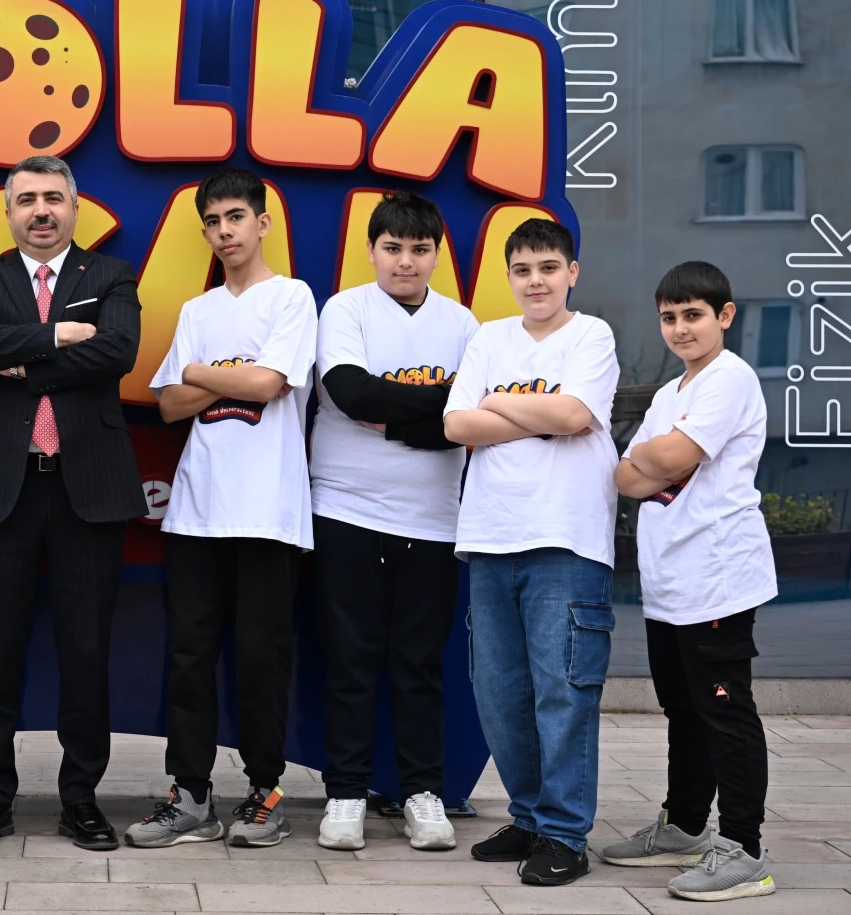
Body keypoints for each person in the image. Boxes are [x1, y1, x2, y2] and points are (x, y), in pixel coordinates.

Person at [0, 154, 145, 851]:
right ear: (9, 211)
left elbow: (118, 352)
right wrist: (61, 336)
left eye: (53, 198)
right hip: (3, 491)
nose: (41, 210)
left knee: (86, 651)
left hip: (86, 489)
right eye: (27, 198)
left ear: (74, 208)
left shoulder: (111, 275)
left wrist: (18, 358)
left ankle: (81, 798)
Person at [127, 167, 316, 849]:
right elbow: (169, 404)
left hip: (267, 512)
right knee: (189, 658)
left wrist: (200, 372)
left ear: (262, 224)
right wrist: (226, 377)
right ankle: (191, 798)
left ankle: (265, 794)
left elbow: (268, 385)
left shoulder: (292, 297)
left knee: (262, 660)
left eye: (235, 217)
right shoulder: (198, 311)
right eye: (212, 222)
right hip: (196, 512)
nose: (224, 231)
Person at [442, 217, 619, 887]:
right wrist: (533, 411)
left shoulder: (591, 335)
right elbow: (456, 423)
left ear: (572, 272)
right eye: (522, 270)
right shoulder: (489, 338)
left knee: (562, 692)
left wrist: (497, 402)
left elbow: (574, 417)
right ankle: (530, 816)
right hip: (490, 538)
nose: (536, 281)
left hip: (565, 540)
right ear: (509, 278)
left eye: (548, 268)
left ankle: (566, 834)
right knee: (500, 695)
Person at [600, 261, 777, 902]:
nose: (680, 328)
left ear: (724, 316)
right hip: (670, 580)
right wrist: (659, 458)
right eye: (669, 317)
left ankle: (745, 851)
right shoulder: (670, 394)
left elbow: (667, 457)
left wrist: (659, 456)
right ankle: (684, 826)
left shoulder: (730, 378)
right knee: (684, 708)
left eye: (693, 315)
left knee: (726, 712)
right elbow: (625, 476)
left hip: (717, 575)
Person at [309, 192, 479, 853]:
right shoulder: (345, 309)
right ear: (372, 251)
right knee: (349, 661)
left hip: (434, 520)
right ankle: (346, 794)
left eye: (419, 249)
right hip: (346, 508)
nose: (405, 262)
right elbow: (351, 392)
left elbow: (470, 414)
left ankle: (423, 794)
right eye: (393, 248)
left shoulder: (462, 323)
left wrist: (401, 421)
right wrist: (435, 409)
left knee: (419, 664)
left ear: (436, 254)